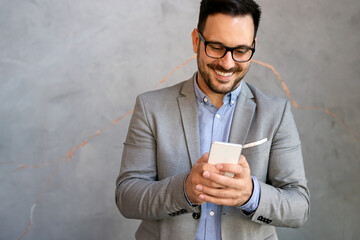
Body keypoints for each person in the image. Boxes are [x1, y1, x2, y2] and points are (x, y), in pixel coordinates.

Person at [115, 0, 310, 239]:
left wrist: (251, 194)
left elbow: (299, 207)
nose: (227, 64)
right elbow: (127, 197)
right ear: (197, 40)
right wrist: (185, 190)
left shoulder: (276, 113)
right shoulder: (150, 107)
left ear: (253, 47)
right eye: (216, 47)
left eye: (240, 51)